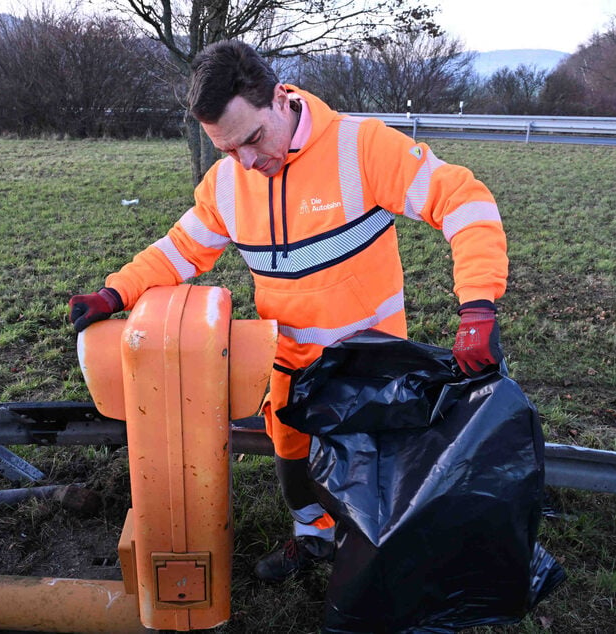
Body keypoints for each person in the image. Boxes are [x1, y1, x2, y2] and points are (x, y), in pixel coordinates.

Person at [69, 39, 508, 583]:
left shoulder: (360, 147)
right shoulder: (228, 183)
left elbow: (464, 201)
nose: (247, 162)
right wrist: (117, 293)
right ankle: (313, 538)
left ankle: (370, 563)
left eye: (252, 139)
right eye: (227, 150)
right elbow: (180, 250)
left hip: (367, 369)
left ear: (281, 98)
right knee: (293, 462)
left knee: (369, 482)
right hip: (291, 365)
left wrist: (478, 306)